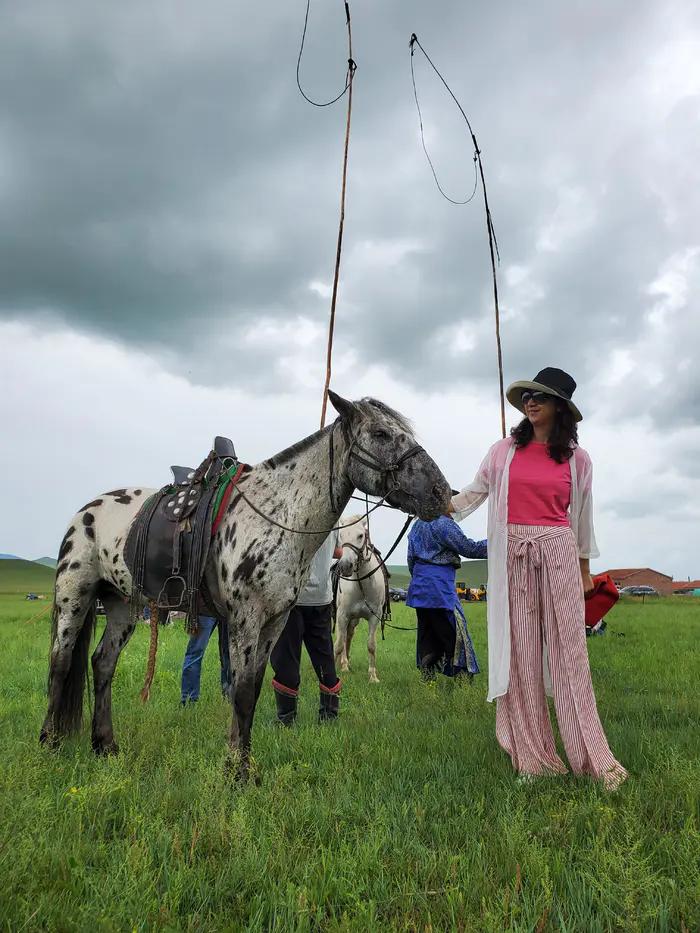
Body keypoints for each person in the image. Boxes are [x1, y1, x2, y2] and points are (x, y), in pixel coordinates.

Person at [451, 367, 628, 790]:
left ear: (560, 407)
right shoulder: (503, 451)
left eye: (541, 398)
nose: (531, 402)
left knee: (571, 655)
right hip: (512, 555)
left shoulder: (578, 460)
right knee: (523, 655)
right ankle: (534, 759)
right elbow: (471, 495)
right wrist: (429, 501)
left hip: (560, 555)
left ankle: (592, 759)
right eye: (528, 396)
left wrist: (584, 571)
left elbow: (582, 520)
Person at [270, 532, 343, 725]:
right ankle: (329, 717)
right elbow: (339, 551)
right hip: (321, 597)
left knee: (286, 658)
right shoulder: (335, 518)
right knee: (324, 657)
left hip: (292, 597)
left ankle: (286, 719)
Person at [406, 514, 486, 680]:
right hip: (439, 586)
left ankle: (428, 677)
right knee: (454, 632)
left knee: (427, 633)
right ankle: (462, 677)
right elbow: (469, 548)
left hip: (420, 586)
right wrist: (498, 542)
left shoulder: (417, 524)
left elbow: (410, 559)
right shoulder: (444, 524)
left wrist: (422, 579)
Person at [181, 613, 232, 704]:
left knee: (230, 653)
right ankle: (188, 700)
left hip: (224, 606)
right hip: (208, 605)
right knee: (196, 651)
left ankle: (230, 696)